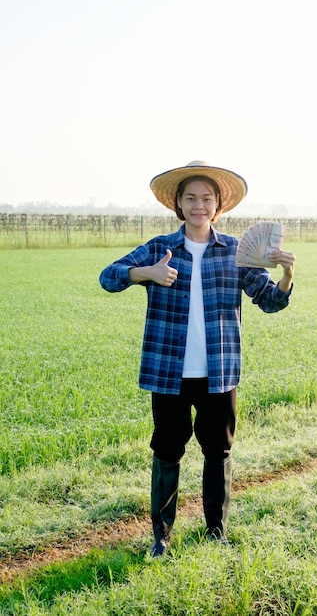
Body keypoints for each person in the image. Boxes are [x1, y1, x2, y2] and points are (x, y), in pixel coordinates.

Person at [99, 160, 296, 556]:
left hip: (219, 372)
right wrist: (146, 274)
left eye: (207, 198)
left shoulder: (237, 252)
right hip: (170, 371)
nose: (199, 205)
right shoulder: (160, 248)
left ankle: (216, 531)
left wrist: (287, 276)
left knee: (218, 451)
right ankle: (161, 537)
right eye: (191, 197)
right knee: (167, 451)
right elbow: (108, 276)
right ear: (179, 203)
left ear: (218, 206)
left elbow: (270, 301)